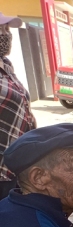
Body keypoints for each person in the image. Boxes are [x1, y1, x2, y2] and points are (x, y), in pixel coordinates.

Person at [0, 12, 36, 200]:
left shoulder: (6, 66)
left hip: (15, 167)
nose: (6, 34)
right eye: (2, 29)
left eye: (7, 29)